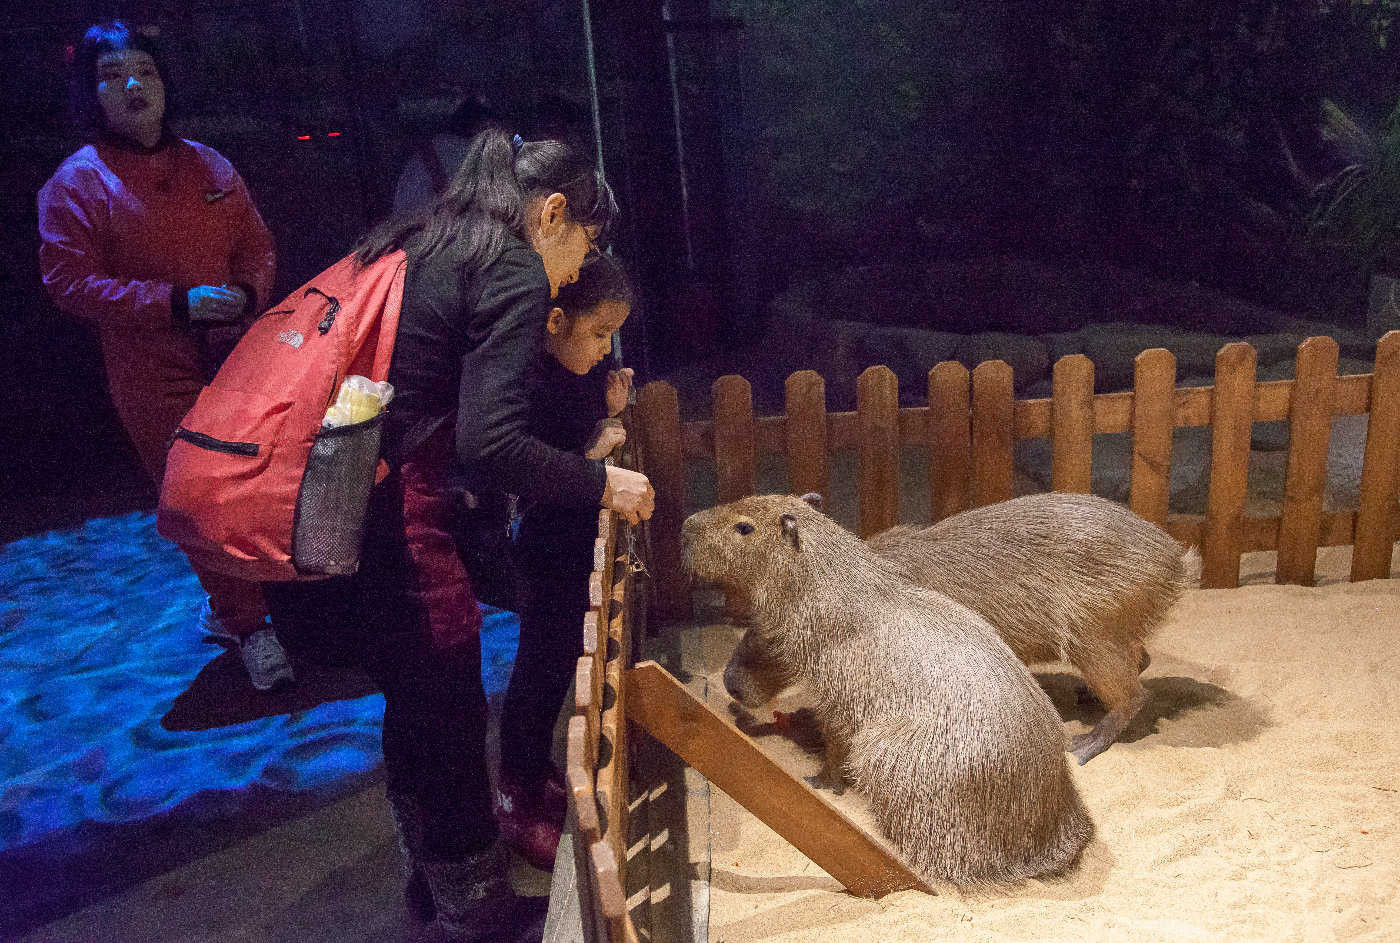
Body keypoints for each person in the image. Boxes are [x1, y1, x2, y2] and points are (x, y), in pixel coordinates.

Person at [267, 128, 653, 942]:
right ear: (552, 214)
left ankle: (432, 878)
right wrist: (601, 479)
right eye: (585, 243)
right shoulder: (510, 265)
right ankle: (476, 905)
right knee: (446, 696)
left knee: (412, 695)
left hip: (341, 497)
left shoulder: (427, 235)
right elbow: (493, 443)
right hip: (397, 506)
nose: (580, 268)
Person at [36, 21, 294, 692]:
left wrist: (245, 293)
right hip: (152, 371)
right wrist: (173, 303)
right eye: (114, 73)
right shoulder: (77, 184)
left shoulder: (211, 165)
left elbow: (257, 246)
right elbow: (69, 282)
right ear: (92, 93)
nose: (133, 84)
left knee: (252, 485)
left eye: (146, 72)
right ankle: (248, 623)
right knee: (195, 497)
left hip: (235, 356)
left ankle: (258, 605)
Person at [494, 253, 634, 870]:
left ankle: (535, 771)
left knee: (559, 667)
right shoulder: (527, 381)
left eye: (613, 335)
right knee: (539, 666)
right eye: (598, 333)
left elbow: (581, 432)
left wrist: (605, 409)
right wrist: (593, 448)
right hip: (546, 547)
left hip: (575, 541)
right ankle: (515, 794)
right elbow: (534, 468)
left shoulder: (578, 372)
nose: (606, 347)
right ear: (554, 321)